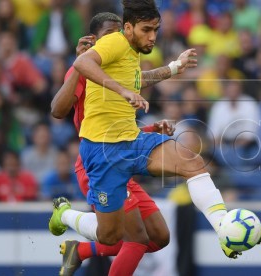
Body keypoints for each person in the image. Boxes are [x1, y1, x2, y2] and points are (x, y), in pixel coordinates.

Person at [53, 0, 261, 266]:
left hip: (132, 141)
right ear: (128, 27)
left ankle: (225, 230)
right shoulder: (114, 43)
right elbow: (82, 64)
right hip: (102, 152)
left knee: (193, 163)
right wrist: (123, 91)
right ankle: (64, 214)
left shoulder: (130, 52)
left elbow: (137, 81)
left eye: (156, 30)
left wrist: (174, 68)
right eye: (147, 30)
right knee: (109, 236)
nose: (153, 37)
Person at [49, 12, 176, 276]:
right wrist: (79, 63)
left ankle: (80, 250)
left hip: (120, 158)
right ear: (94, 41)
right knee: (136, 239)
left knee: (159, 237)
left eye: (121, 35)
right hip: (97, 161)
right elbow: (58, 110)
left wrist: (151, 129)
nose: (117, 41)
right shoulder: (84, 70)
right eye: (110, 36)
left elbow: (119, 130)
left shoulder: (123, 68)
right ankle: (66, 217)